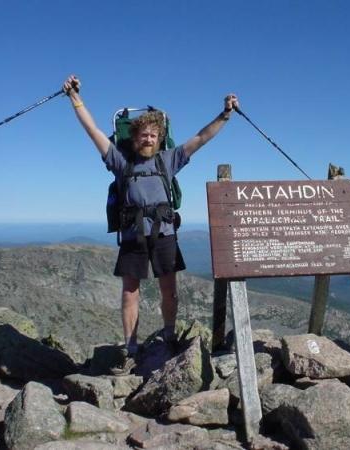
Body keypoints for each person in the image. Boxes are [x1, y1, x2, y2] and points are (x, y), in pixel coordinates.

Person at [63, 75, 238, 373]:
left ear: (160, 138)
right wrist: (75, 99)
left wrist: (225, 114)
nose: (148, 139)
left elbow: (201, 138)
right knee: (130, 292)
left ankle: (168, 336)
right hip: (133, 236)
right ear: (135, 137)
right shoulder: (120, 161)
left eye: (153, 135)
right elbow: (92, 131)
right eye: (143, 134)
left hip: (165, 235)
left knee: (169, 289)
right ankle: (131, 347)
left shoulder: (168, 160)